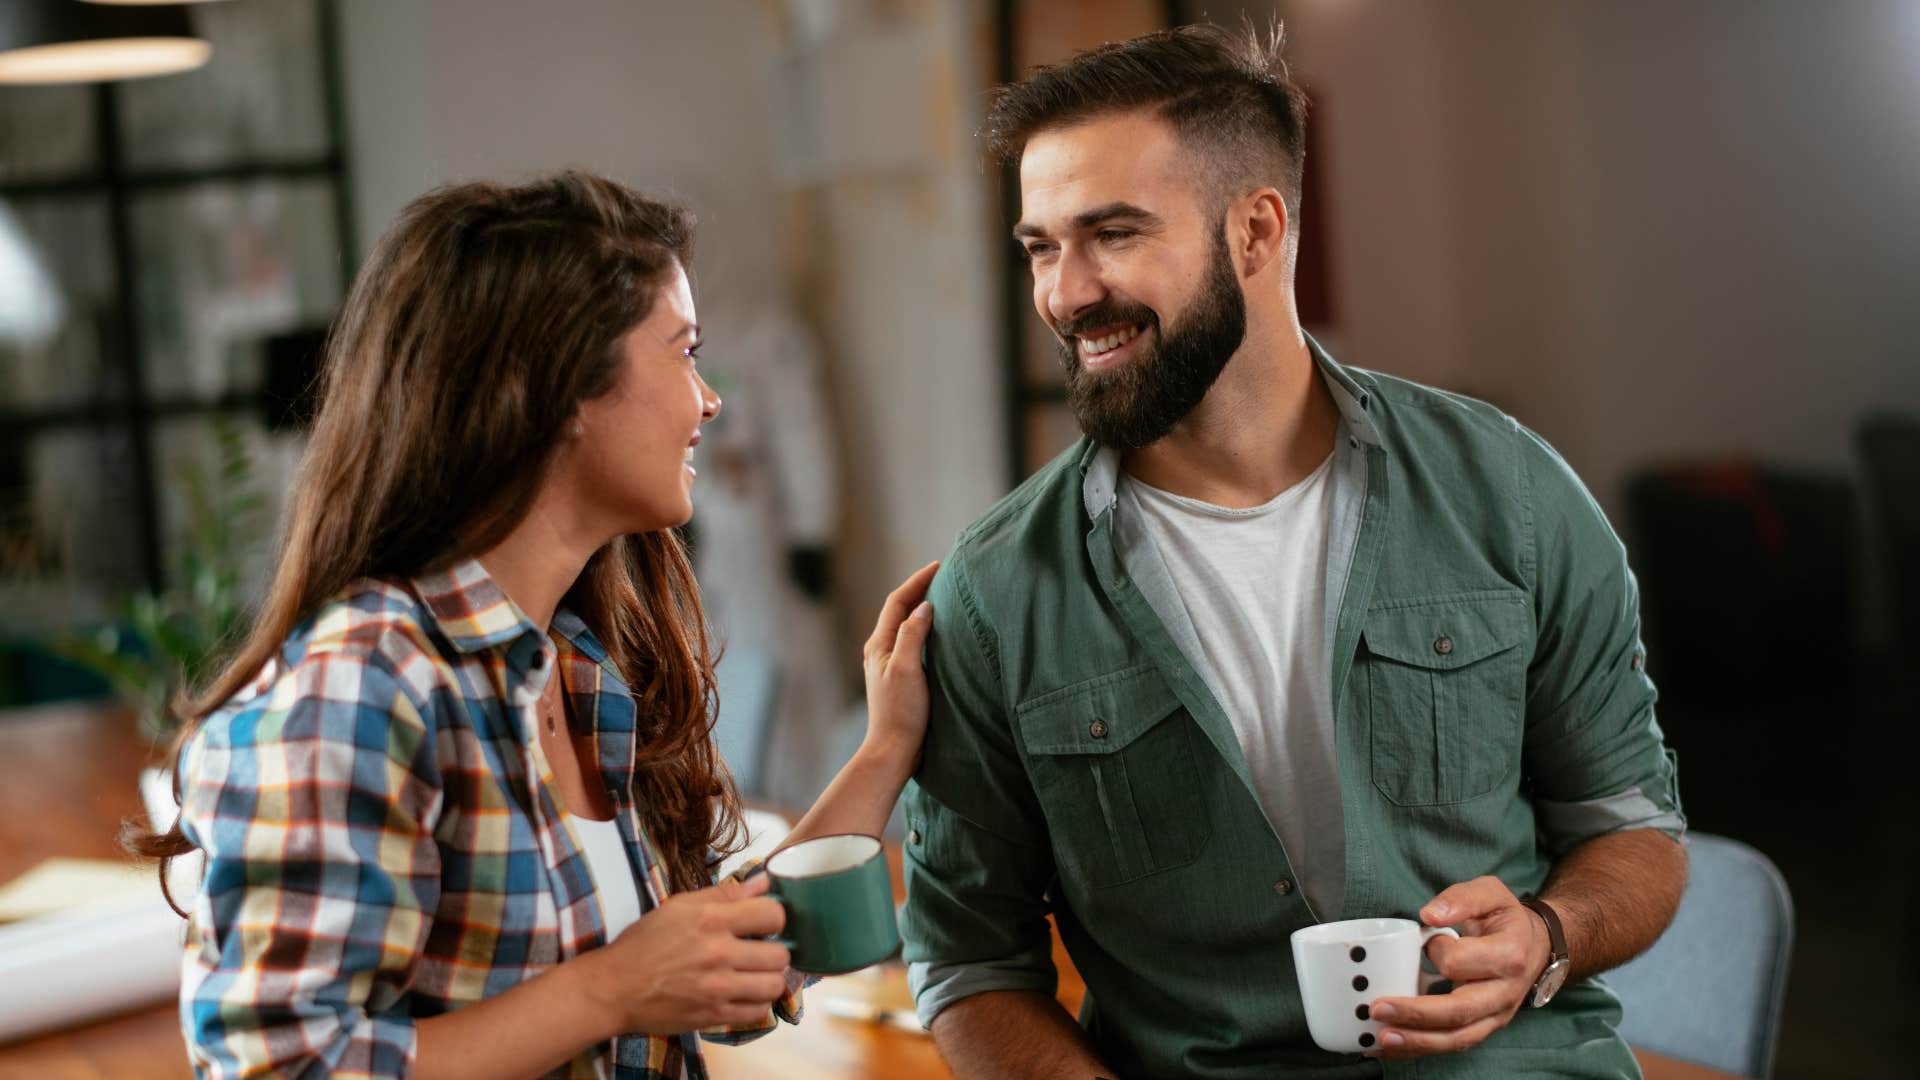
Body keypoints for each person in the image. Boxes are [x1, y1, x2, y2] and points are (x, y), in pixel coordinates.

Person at [900, 23, 1687, 1079]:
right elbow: (967, 962)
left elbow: (1636, 832)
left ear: (1258, 231)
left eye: (1113, 233)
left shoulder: (1511, 493)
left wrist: (1547, 938)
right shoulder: (998, 594)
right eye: (1042, 246)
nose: (1064, 293)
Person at [136, 171, 938, 1080]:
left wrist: (886, 746)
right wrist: (610, 990)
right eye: (684, 353)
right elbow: (277, 1067)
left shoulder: (576, 662)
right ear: (563, 393)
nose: (708, 401)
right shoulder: (366, 681)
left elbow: (702, 964)